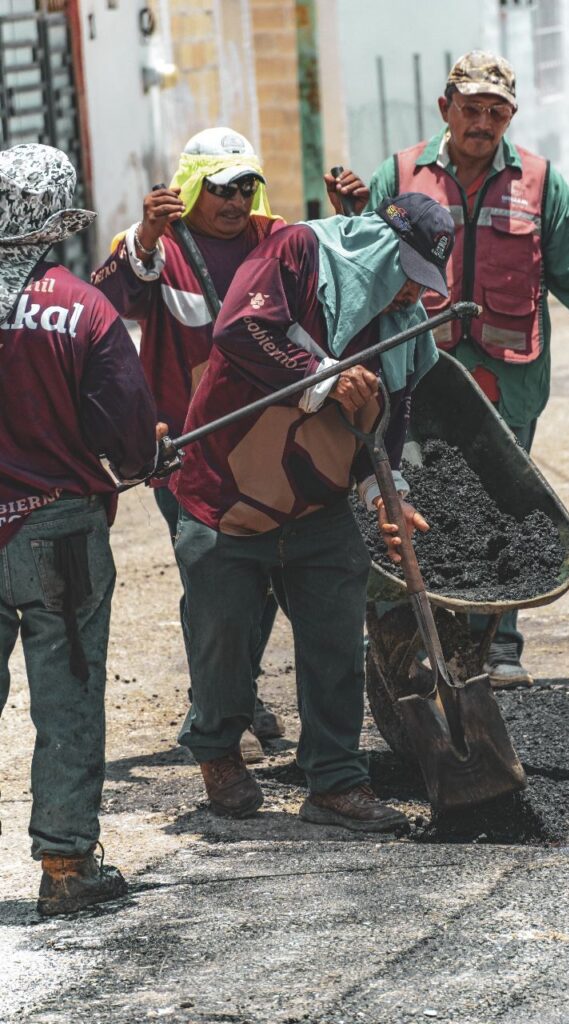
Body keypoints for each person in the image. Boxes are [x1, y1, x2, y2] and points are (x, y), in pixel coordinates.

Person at [350, 50, 569, 689]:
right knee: (412, 504)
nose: (482, 121)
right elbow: (360, 266)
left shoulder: (538, 183)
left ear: (510, 116)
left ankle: (499, 645)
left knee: (507, 514)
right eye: (471, 108)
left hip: (507, 389)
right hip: (415, 384)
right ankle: (414, 640)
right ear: (446, 108)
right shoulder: (400, 175)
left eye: (496, 111)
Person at [169, 193, 455, 831]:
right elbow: (238, 330)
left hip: (315, 500)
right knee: (222, 637)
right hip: (228, 489)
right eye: (406, 274)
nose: (412, 293)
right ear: (379, 247)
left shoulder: (394, 327)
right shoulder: (297, 253)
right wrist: (322, 375)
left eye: (423, 282)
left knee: (334, 637)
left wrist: (387, 496)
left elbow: (390, 416)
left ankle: (334, 782)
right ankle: (218, 751)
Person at [92, 127, 288, 759]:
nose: (235, 201)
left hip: (263, 442)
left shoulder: (275, 239)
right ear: (192, 189)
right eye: (221, 188)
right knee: (212, 580)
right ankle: (214, 708)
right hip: (185, 451)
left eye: (246, 187)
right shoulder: (157, 246)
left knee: (262, 579)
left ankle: (236, 690)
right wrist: (146, 238)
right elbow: (104, 303)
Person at [0, 144, 158, 915]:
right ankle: (66, 868)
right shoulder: (83, 310)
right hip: (57, 532)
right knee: (66, 696)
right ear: (60, 220)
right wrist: (146, 456)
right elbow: (127, 430)